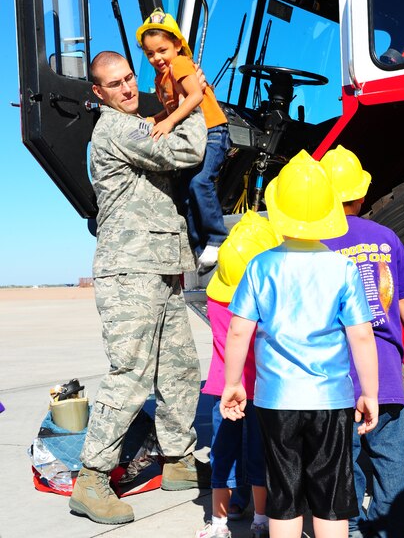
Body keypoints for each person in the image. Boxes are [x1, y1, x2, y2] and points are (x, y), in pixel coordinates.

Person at [69, 51, 211, 525]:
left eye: (130, 78)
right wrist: (193, 99)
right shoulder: (116, 128)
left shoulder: (143, 123)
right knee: (130, 372)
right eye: (116, 84)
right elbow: (187, 151)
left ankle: (178, 461)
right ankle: (91, 479)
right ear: (99, 93)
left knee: (180, 370)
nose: (128, 89)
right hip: (130, 271)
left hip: (162, 267)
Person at [220, 150, 380, 538]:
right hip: (331, 399)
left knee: (284, 493)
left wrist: (233, 384)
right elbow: (361, 333)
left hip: (277, 400)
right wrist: (370, 392)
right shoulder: (342, 267)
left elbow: (239, 329)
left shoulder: (261, 265)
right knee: (330, 495)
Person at [320, 144, 404, 538]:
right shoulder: (386, 236)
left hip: (339, 375)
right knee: (391, 456)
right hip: (386, 373)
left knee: (343, 457)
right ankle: (394, 528)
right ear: (362, 194)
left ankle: (346, 526)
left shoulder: (318, 244)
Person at [197, 210, 281, 538]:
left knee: (224, 456)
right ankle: (261, 519)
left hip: (222, 388)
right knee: (260, 455)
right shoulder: (266, 301)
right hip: (260, 390)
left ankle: (220, 521)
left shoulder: (216, 298)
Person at [136, 7, 230, 275]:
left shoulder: (180, 64)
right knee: (186, 193)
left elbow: (195, 97)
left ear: (177, 44)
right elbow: (170, 110)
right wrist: (149, 122)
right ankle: (198, 249)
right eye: (150, 53)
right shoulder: (160, 78)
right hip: (193, 136)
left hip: (212, 131)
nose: (157, 57)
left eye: (162, 50)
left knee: (201, 182)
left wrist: (167, 123)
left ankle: (217, 238)